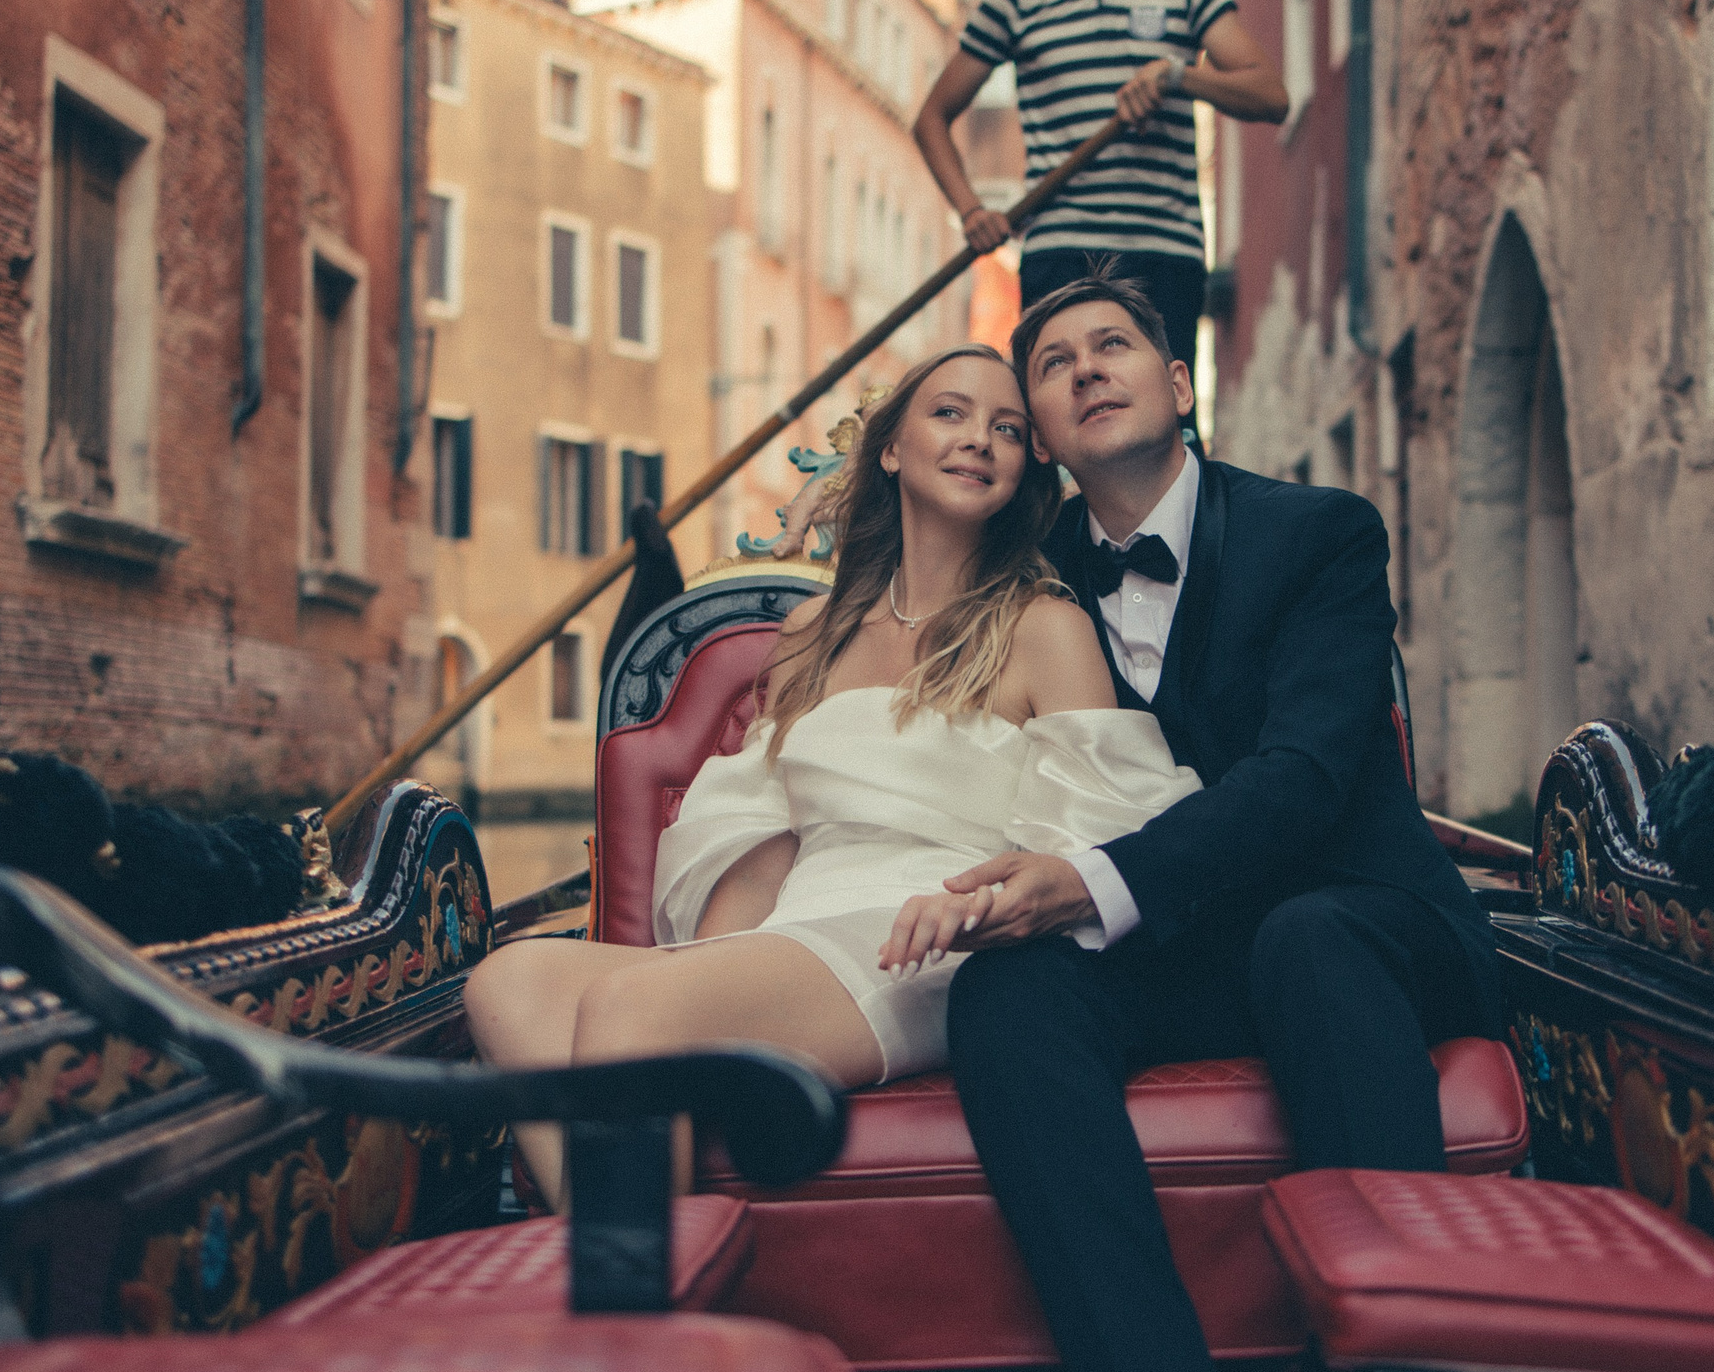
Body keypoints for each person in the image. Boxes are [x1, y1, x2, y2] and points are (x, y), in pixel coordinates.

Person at [922, 275, 1507, 1372]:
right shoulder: (1023, 578)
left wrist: (1088, 881)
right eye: (1054, 364)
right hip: (1194, 949)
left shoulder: (1319, 534)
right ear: (1038, 432)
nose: (1087, 369)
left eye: (1113, 346)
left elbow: (1302, 783)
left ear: (1178, 383)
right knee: (1009, 990)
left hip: (1364, 921)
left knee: (1309, 936)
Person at [461, 344, 1199, 1209]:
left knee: (633, 1014)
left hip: (927, 940)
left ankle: (633, 1305)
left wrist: (987, 911)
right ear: (889, 449)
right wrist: (717, 963)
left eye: (1007, 428)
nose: (981, 440)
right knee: (508, 983)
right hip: (804, 926)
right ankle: (643, 1269)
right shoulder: (817, 628)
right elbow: (756, 815)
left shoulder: (1042, 625)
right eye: (950, 413)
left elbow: (1107, 824)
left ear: (1023, 471)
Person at [913, 0, 1287, 416]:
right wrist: (971, 210)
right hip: (1061, 247)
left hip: (1164, 248)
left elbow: (1270, 94)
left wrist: (1178, 76)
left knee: (1168, 423)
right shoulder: (1019, 4)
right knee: (1058, 424)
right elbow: (931, 119)